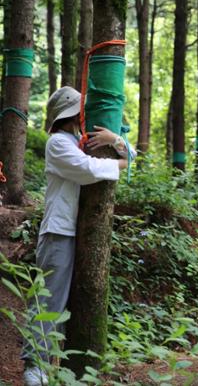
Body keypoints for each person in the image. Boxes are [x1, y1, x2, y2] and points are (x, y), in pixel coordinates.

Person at [22, 87, 135, 386]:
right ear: (73, 114)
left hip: (72, 233)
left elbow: (133, 155)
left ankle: (52, 367)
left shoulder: (80, 142)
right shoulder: (59, 143)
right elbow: (85, 169)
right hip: (58, 232)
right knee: (48, 302)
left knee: (66, 303)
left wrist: (115, 141)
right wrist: (120, 164)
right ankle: (35, 367)